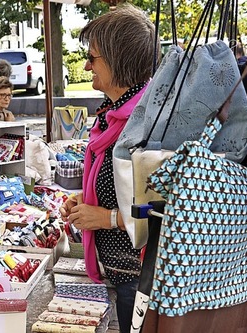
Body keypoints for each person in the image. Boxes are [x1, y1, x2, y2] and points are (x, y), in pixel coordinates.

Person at [59, 5, 154, 333]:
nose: (86, 65)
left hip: (138, 280)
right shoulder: (115, 115)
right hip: (118, 273)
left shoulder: (145, 124)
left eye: (93, 57)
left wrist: (106, 218)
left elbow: (164, 206)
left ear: (118, 60)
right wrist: (83, 204)